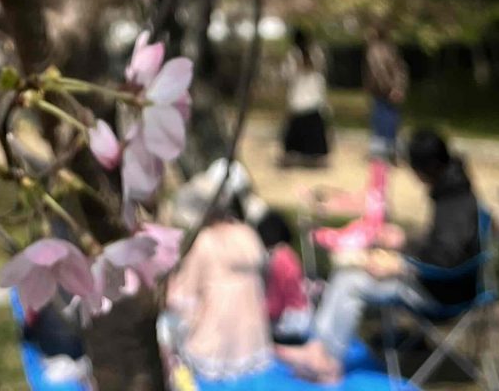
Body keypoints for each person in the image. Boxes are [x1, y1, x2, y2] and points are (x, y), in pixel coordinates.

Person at [279, 130, 482, 384]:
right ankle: (318, 348)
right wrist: (405, 241)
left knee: (352, 283)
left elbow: (446, 259)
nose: (415, 177)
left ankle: (328, 361)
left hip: (443, 293)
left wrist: (401, 264)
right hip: (438, 281)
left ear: (428, 167)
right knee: (347, 272)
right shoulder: (451, 191)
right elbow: (440, 245)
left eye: (415, 169)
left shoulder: (455, 202)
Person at [166, 183, 275, 381]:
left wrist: (171, 290)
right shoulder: (247, 233)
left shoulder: (206, 240)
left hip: (215, 325)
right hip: (252, 326)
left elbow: (187, 289)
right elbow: (264, 270)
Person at [255, 209, 311, 345]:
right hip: (302, 316)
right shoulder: (288, 253)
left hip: (290, 322)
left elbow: (276, 302)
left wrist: (255, 314)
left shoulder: (277, 259)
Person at [280, 29, 330, 166]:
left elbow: (286, 75)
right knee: (313, 130)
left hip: (299, 99)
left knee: (297, 130)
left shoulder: (293, 55)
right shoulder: (316, 53)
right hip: (313, 98)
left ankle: (295, 154)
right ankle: (314, 155)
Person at [363, 24, 408, 163]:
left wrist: (393, 88)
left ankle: (386, 150)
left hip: (383, 90)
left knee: (385, 120)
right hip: (381, 91)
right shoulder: (386, 49)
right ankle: (390, 149)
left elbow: (384, 72)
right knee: (386, 119)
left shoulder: (378, 50)